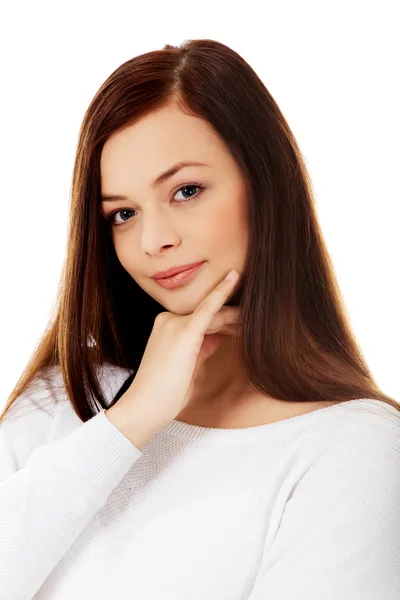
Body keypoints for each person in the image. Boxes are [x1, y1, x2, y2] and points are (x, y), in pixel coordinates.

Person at [0, 39, 399, 600]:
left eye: (186, 191)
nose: (154, 240)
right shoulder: (62, 398)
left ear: (264, 186)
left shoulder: (352, 449)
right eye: (122, 214)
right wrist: (130, 420)